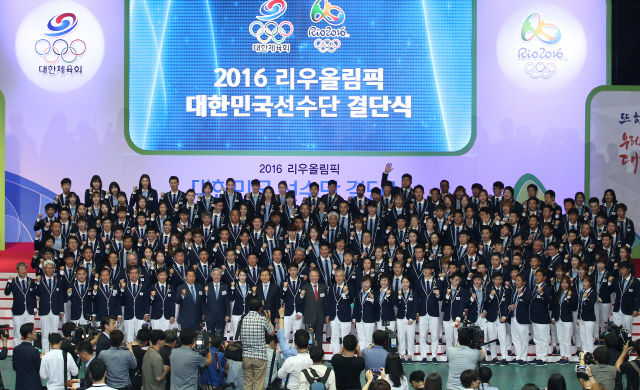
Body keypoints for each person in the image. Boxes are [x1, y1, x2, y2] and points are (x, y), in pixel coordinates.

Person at [241, 298, 276, 390]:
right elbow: (272, 332)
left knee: (247, 384)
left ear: (248, 308)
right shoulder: (262, 319)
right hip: (260, 357)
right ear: (261, 309)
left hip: (246, 356)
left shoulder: (243, 319)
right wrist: (268, 319)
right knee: (259, 385)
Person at [4, 262, 37, 347]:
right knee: (17, 334)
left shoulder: (31, 281)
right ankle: (16, 354)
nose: (23, 271)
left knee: (30, 333)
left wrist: (35, 308)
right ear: (17, 271)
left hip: (29, 311)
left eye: (25, 269)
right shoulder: (13, 281)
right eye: (21, 269)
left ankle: (30, 353)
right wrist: (9, 281)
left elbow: (33, 296)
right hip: (18, 311)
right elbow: (6, 292)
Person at [296, 268, 328, 346]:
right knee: (309, 338)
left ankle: (319, 355)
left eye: (315, 276)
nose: (314, 278)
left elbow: (326, 303)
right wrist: (301, 295)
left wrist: (327, 315)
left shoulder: (324, 287)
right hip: (309, 317)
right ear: (309, 277)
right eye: (312, 276)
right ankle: (310, 355)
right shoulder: (305, 287)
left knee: (319, 337)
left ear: (319, 277)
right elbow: (299, 302)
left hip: (320, 317)